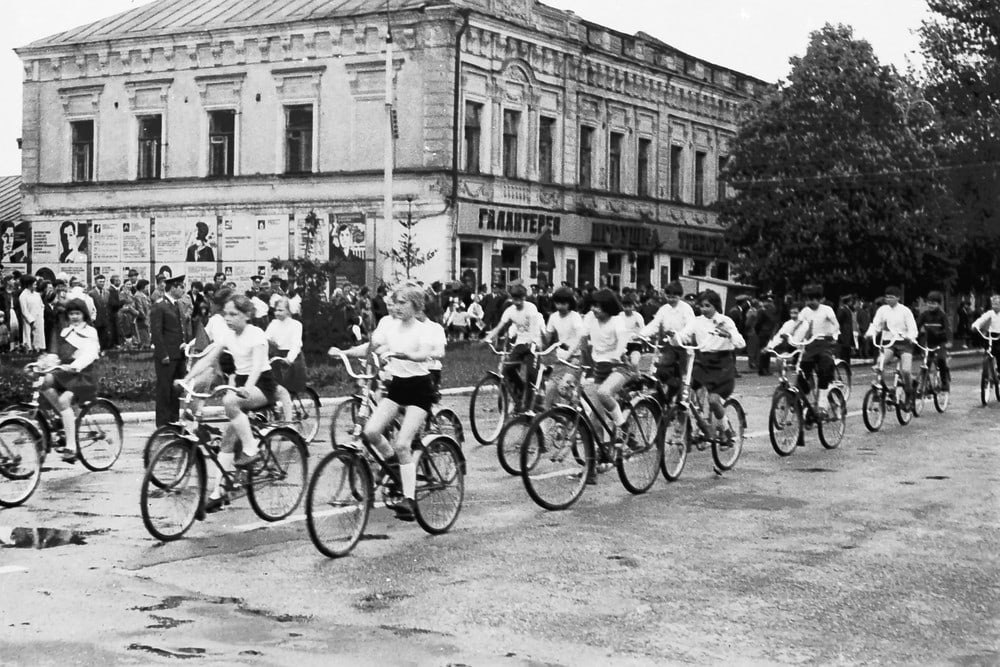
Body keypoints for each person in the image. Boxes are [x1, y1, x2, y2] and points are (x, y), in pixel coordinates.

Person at [328, 284, 446, 521]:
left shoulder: (423, 330)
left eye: (404, 303)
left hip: (420, 389)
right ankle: (394, 464)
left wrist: (408, 355)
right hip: (397, 387)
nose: (398, 307)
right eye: (396, 302)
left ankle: (409, 500)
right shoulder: (390, 327)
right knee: (370, 431)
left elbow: (425, 352)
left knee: (403, 443)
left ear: (416, 305)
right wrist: (345, 352)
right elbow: (372, 346)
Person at [183, 294, 278, 513]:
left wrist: (247, 388)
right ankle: (218, 493)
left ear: (247, 315)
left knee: (230, 401)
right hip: (242, 384)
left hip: (262, 385)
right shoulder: (228, 335)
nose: (228, 318)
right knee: (226, 441)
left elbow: (256, 367)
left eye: (234, 314)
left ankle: (251, 449)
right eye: (226, 314)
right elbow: (208, 358)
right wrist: (187, 379)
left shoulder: (256, 335)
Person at [676, 289, 745, 437]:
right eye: (701, 306)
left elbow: (740, 343)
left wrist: (728, 334)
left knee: (714, 400)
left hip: (722, 365)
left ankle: (727, 430)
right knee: (684, 391)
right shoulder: (697, 321)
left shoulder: (725, 321)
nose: (704, 309)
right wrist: (675, 337)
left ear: (716, 306)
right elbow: (685, 334)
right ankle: (700, 425)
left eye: (708, 306)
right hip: (703, 362)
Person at [40, 298, 100, 461]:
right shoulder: (65, 331)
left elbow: (90, 354)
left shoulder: (90, 332)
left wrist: (75, 365)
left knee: (65, 400)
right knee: (44, 382)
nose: (74, 317)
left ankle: (71, 447)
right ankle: (64, 416)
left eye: (77, 313)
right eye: (71, 313)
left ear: (84, 315)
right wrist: (47, 363)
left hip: (83, 374)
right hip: (64, 372)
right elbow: (56, 353)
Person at [484, 283, 545, 411]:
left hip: (533, 344)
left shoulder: (531, 308)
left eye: (519, 299)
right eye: (514, 299)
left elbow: (534, 329)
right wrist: (488, 337)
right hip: (520, 343)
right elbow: (500, 326)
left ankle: (530, 405)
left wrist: (533, 343)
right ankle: (521, 395)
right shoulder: (510, 310)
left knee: (531, 375)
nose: (517, 302)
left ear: (524, 297)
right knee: (507, 369)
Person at [639, 281, 695, 402]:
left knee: (682, 379)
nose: (671, 299)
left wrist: (679, 335)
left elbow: (691, 326)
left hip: (684, 347)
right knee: (661, 371)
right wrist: (641, 334)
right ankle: (665, 401)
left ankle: (680, 403)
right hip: (670, 347)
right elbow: (654, 325)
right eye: (668, 296)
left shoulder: (686, 309)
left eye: (674, 297)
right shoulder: (664, 309)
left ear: (679, 296)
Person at [865, 286, 918, 408]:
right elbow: (875, 324)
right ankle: (882, 388)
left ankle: (909, 393)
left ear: (898, 298)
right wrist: (870, 333)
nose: (888, 299)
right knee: (880, 363)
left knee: (905, 370)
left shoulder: (905, 311)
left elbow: (913, 329)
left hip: (905, 344)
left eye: (891, 297)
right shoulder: (882, 310)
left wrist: (910, 336)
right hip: (890, 343)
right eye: (887, 297)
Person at [791, 284, 840, 415]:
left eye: (812, 299)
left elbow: (835, 324)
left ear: (821, 299)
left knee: (824, 371)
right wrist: (790, 336)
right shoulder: (805, 311)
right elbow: (796, 325)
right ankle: (809, 400)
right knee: (800, 373)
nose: (809, 302)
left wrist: (833, 333)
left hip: (824, 345)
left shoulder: (827, 310)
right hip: (809, 346)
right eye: (807, 299)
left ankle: (823, 404)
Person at [150, 275, 187, 427]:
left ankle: (174, 419)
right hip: (166, 356)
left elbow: (181, 328)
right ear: (173, 288)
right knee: (164, 389)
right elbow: (157, 332)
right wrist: (163, 354)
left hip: (178, 354)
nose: (183, 289)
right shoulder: (160, 306)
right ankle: (163, 424)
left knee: (176, 390)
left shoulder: (177, 304)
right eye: (181, 287)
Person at [541, 286, 584, 409]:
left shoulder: (574, 316)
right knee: (549, 389)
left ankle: (579, 405)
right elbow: (547, 339)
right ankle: (549, 420)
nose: (560, 306)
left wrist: (570, 353)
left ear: (569, 303)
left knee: (563, 389)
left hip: (575, 358)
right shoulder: (553, 317)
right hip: (561, 359)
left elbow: (580, 337)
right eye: (557, 303)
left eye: (563, 303)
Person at [265, 296, 305, 423]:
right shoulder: (273, 324)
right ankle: (274, 411)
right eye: (276, 310)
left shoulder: (296, 325)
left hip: (292, 358)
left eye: (281, 310)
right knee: (269, 384)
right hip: (276, 356)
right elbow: (265, 339)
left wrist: (289, 358)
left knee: (285, 389)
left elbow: (296, 344)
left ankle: (289, 421)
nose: (277, 313)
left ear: (288, 311)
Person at [917, 291, 951, 392]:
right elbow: (916, 325)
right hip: (928, 342)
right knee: (926, 362)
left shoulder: (942, 316)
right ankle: (925, 385)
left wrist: (948, 340)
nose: (931, 305)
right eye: (929, 303)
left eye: (933, 303)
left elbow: (948, 329)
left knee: (941, 359)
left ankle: (945, 382)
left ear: (938, 304)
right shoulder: (924, 315)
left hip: (940, 342)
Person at [617, 293, 646, 368]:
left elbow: (644, 331)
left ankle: (637, 376)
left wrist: (638, 336)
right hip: (622, 345)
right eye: (625, 306)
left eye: (629, 306)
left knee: (634, 362)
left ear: (633, 306)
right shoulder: (620, 316)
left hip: (635, 344)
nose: (627, 309)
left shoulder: (638, 316)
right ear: (622, 306)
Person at [18, 275, 45, 352]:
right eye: (34, 284)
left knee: (39, 339)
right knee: (29, 338)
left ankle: (38, 350)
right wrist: (31, 320)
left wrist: (40, 315)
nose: (36, 285)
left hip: (39, 319)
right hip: (29, 321)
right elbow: (24, 311)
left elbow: (42, 305)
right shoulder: (23, 296)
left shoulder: (37, 295)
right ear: (29, 284)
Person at [972, 292, 1000, 362]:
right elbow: (981, 320)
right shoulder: (989, 313)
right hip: (990, 335)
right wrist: (975, 326)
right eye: (993, 304)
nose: (995, 306)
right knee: (988, 351)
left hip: (999, 336)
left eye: (997, 304)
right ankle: (986, 370)